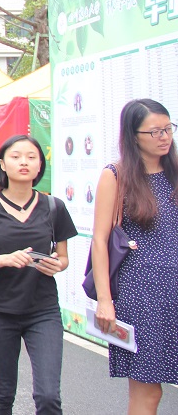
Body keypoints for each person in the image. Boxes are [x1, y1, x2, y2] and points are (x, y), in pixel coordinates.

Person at [0, 135, 77, 414]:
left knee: (48, 396)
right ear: (2, 164)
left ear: (40, 165)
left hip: (43, 311)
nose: (24, 162)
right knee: (3, 394)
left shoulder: (54, 207)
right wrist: (3, 260)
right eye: (16, 156)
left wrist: (57, 264)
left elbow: (63, 258)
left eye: (31, 157)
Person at [92, 98, 178, 415]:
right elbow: (100, 241)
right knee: (148, 391)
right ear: (133, 135)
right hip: (143, 293)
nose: (164, 137)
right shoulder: (116, 175)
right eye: (155, 131)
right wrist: (105, 300)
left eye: (168, 128)